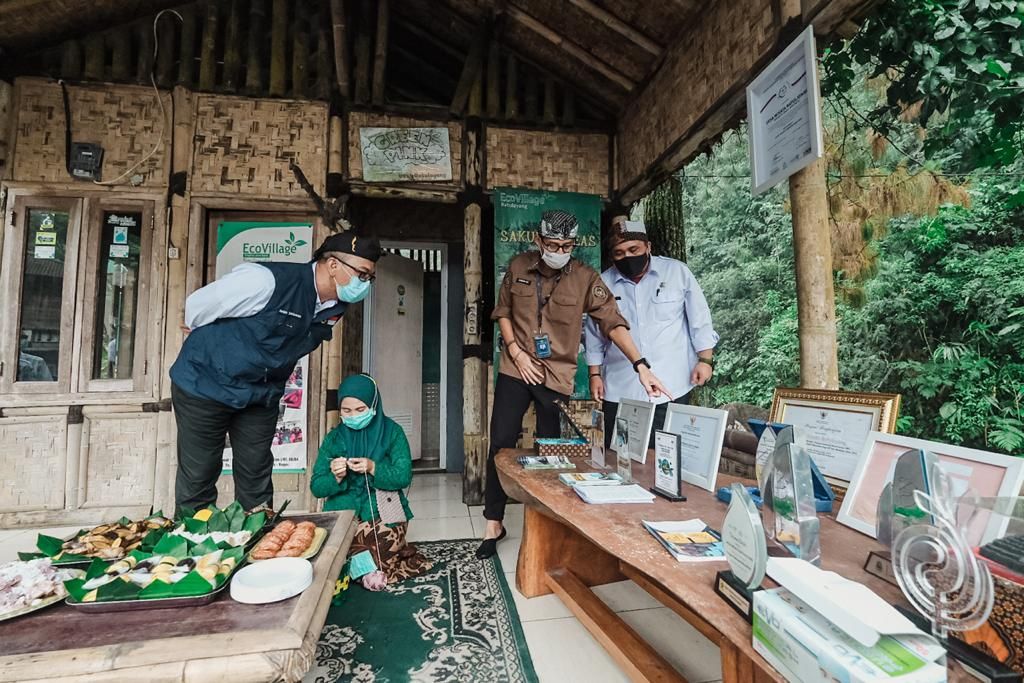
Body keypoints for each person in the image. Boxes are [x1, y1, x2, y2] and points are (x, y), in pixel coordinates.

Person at [478, 209, 673, 559]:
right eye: (552, 244)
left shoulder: (585, 277)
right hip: (515, 367)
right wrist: (516, 353)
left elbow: (612, 321)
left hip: (556, 374)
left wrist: (640, 365)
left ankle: (547, 520)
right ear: (538, 241)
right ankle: (494, 520)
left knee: (550, 449)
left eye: (566, 245)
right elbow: (503, 311)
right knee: (501, 440)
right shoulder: (519, 267)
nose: (559, 250)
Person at [169, 231, 382, 513]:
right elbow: (197, 308)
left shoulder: (335, 306)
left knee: (256, 476)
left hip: (261, 393)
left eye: (369, 278)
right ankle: (194, 549)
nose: (364, 284)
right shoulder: (266, 281)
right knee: (199, 475)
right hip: (205, 385)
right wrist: (216, 344)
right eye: (362, 275)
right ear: (333, 266)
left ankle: (257, 547)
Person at [585, 218, 719, 449]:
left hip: (672, 385)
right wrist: (594, 374)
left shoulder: (677, 272)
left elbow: (700, 319)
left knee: (668, 456)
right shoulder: (602, 284)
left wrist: (705, 360)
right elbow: (594, 334)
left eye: (633, 249)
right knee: (621, 455)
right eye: (619, 253)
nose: (627, 257)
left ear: (648, 247)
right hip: (621, 389)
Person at [310, 374, 433, 585]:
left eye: (360, 410)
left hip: (382, 511)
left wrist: (373, 467)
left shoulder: (392, 433)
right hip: (344, 512)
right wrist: (336, 477)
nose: (353, 416)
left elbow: (403, 476)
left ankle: (362, 566)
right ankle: (367, 566)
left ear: (374, 405)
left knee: (377, 545)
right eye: (346, 411)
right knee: (327, 551)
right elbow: (317, 487)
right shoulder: (334, 439)